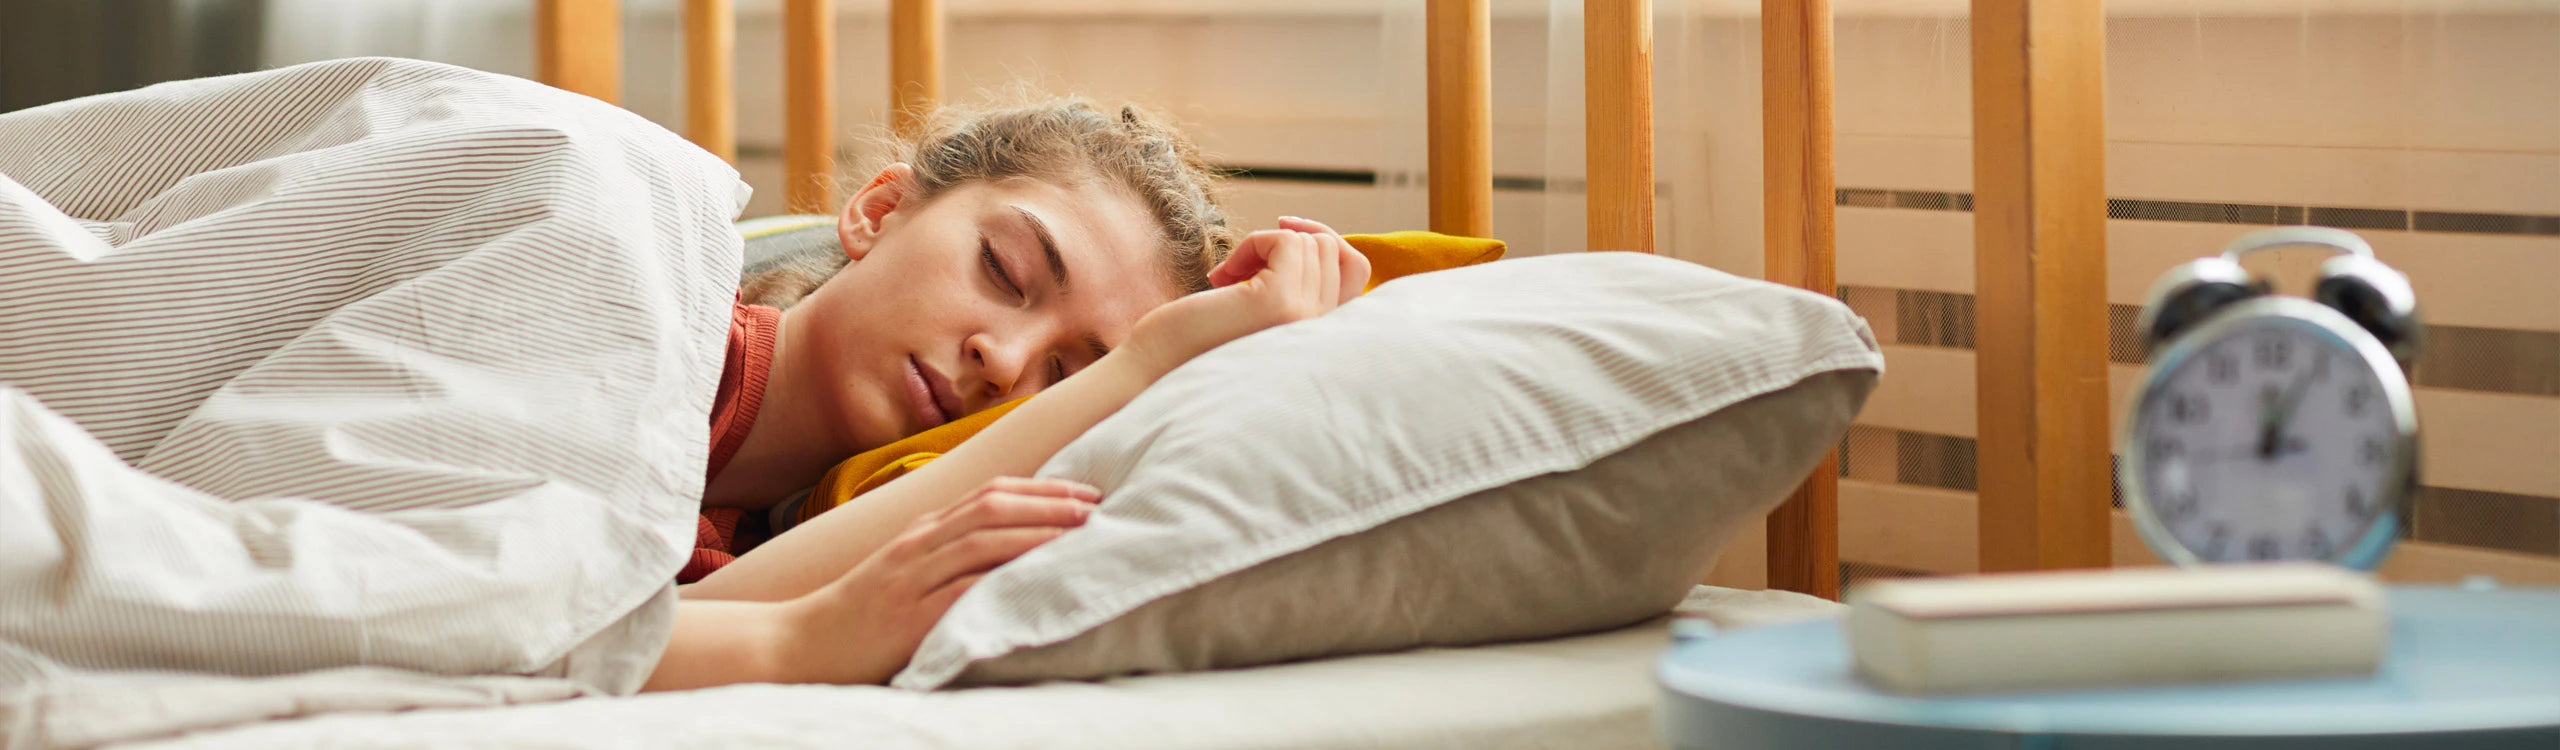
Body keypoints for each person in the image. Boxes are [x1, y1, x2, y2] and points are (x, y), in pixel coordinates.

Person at [0, 56, 1367, 716]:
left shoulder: (701, 551)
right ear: (879, 210)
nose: (1002, 362)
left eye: (1062, 370)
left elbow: (640, 621)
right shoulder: (612, 229)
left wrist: (1162, 361)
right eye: (1007, 272)